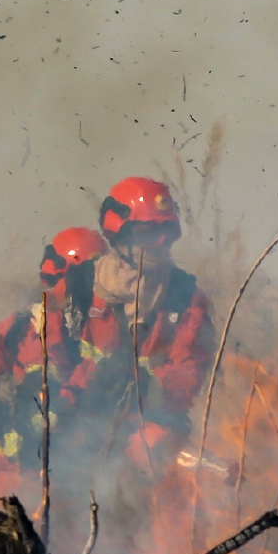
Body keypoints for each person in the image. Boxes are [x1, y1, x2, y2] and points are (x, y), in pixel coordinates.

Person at [67, 177, 216, 471]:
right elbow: (59, 359)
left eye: (166, 234)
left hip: (150, 428)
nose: (160, 244)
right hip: (82, 422)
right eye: (149, 233)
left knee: (182, 478)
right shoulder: (83, 288)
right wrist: (82, 390)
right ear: (119, 233)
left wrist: (148, 384)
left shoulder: (186, 296)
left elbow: (189, 370)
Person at [0, 226, 106, 495]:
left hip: (88, 465)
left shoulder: (108, 327)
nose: (92, 288)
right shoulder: (22, 327)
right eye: (87, 278)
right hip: (21, 469)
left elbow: (99, 377)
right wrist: (1, 423)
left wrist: (60, 411)